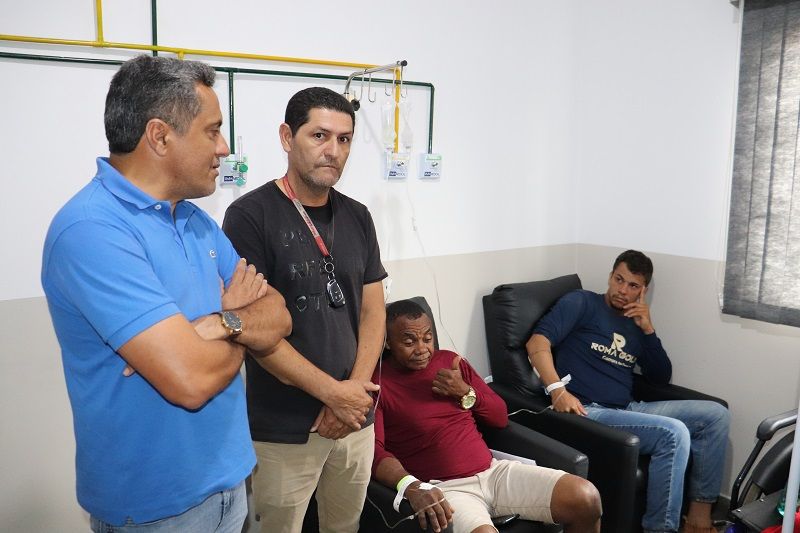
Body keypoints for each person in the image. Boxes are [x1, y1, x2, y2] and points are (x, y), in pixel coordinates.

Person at [41, 55, 294, 532]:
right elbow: (191, 382)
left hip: (231, 481)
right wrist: (242, 326)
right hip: (155, 508)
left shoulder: (196, 221)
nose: (224, 148)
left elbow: (279, 314)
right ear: (159, 136)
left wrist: (220, 323)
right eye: (212, 131)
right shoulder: (92, 230)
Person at [222, 86, 387, 532]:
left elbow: (374, 312)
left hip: (355, 419)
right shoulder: (249, 216)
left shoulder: (358, 216)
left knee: (345, 526)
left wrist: (353, 392)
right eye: (319, 135)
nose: (333, 150)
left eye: (344, 139)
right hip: (284, 428)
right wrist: (333, 394)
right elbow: (255, 331)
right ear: (286, 137)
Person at [526, 250, 730, 533]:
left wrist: (648, 330)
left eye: (633, 285)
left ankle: (698, 519)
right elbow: (537, 343)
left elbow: (660, 377)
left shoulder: (636, 323)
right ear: (610, 276)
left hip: (628, 408)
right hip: (587, 410)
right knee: (673, 433)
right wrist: (557, 390)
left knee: (716, 415)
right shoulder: (582, 302)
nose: (623, 290)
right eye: (619, 280)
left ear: (643, 290)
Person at [373, 299, 602, 533]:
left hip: (493, 472)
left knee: (586, 497)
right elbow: (374, 451)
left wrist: (466, 392)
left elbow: (500, 417)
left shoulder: (450, 362)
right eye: (409, 342)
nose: (422, 349)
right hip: (445, 489)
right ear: (388, 342)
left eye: (428, 338)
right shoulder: (378, 384)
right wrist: (411, 486)